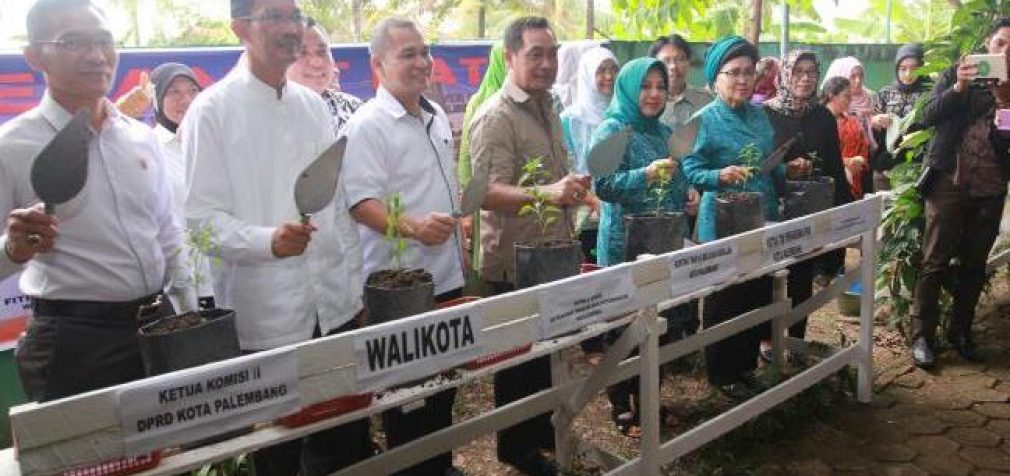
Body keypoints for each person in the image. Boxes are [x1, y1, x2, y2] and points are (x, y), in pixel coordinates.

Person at [180, 0, 369, 473]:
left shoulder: (312, 105)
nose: (291, 29)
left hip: (334, 307)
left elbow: (336, 205)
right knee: (279, 450)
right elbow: (201, 222)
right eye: (276, 17)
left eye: (296, 17)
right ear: (240, 28)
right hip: (268, 316)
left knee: (345, 437)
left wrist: (353, 289)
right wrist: (267, 241)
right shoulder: (212, 111)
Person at [2, 0, 196, 402]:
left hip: (160, 326)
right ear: (35, 56)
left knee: (175, 458)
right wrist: (14, 248)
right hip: (75, 343)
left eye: (104, 40)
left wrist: (187, 312)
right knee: (97, 465)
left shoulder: (140, 138)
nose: (95, 55)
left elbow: (167, 233)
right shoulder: (13, 147)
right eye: (73, 42)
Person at [342, 18, 464, 476]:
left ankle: (441, 464)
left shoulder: (432, 116)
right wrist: (412, 227)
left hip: (444, 277)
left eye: (424, 51)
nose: (421, 62)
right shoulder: (368, 126)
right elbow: (360, 203)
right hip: (398, 288)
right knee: (407, 398)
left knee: (444, 385)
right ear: (378, 65)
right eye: (407, 54)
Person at [469, 16, 591, 476]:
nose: (546, 63)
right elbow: (487, 192)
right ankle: (516, 450)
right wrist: (549, 194)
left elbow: (551, 180)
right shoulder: (495, 116)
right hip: (515, 263)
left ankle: (540, 432)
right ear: (509, 58)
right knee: (518, 362)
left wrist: (571, 186)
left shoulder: (548, 107)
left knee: (546, 354)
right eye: (534, 54)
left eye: (552, 53)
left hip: (551, 253)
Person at [682, 35, 807, 399]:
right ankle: (722, 372)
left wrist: (788, 169)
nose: (741, 80)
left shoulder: (759, 115)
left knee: (756, 291)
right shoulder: (702, 120)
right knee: (726, 297)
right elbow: (688, 169)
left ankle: (746, 365)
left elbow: (767, 166)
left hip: (761, 214)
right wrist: (718, 176)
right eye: (732, 72)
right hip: (722, 221)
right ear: (714, 79)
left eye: (748, 72)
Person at [591, 57, 692, 436]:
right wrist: (644, 175)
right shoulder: (613, 128)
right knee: (623, 329)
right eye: (645, 86)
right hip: (623, 245)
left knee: (657, 325)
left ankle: (649, 399)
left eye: (659, 87)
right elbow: (602, 186)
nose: (653, 94)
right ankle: (621, 404)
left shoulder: (662, 131)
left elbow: (676, 179)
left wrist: (687, 192)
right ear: (629, 88)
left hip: (661, 242)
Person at [909, 17, 1010, 369]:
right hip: (949, 182)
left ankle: (961, 332)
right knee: (934, 260)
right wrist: (959, 89)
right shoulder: (958, 73)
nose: (1005, 51)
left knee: (974, 263)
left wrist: (1004, 101)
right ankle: (922, 335)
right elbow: (928, 115)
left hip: (991, 186)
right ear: (987, 43)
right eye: (1000, 43)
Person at [762, 50, 851, 359]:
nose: (805, 77)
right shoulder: (765, 115)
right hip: (774, 210)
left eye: (811, 71)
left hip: (810, 209)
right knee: (770, 275)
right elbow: (761, 165)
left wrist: (845, 211)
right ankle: (767, 342)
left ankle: (796, 342)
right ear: (785, 74)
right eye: (798, 71)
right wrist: (787, 169)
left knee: (801, 276)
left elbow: (834, 167)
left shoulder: (823, 116)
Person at [149, 62, 215, 309]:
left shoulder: (212, 143)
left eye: (192, 91)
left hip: (226, 275)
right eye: (173, 92)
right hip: (181, 286)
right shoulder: (150, 149)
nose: (185, 100)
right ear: (156, 99)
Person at [560, 46, 616, 262]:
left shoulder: (623, 115)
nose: (609, 77)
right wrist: (594, 202)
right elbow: (565, 170)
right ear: (586, 74)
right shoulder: (570, 120)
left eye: (613, 69)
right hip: (582, 215)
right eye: (601, 70)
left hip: (619, 211)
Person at [457, 43, 504, 295]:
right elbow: (466, 157)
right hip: (487, 198)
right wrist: (469, 205)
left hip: (524, 197)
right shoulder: (481, 101)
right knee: (488, 260)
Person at [870, 43, 931, 190]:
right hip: (886, 166)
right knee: (882, 209)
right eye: (903, 69)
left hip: (916, 165)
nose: (908, 74)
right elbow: (873, 128)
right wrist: (876, 122)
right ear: (897, 69)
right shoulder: (885, 93)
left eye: (914, 69)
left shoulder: (930, 92)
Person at [287, 18, 362, 134]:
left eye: (322, 52)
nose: (316, 61)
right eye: (302, 52)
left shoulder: (355, 110)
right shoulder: (260, 116)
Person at [649, 34, 713, 133]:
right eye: (666, 61)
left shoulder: (706, 101)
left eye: (680, 59)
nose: (673, 66)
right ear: (653, 66)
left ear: (688, 64)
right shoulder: (647, 101)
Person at [822, 77, 871, 199]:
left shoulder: (853, 122)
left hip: (854, 181)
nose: (850, 100)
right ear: (832, 95)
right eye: (846, 96)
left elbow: (864, 148)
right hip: (827, 182)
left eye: (851, 96)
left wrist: (860, 160)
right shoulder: (819, 121)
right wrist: (847, 162)